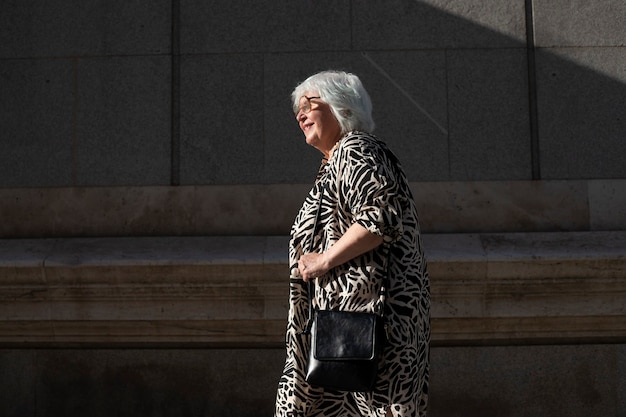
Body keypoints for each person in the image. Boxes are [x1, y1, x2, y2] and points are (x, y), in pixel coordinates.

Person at [274, 70, 430, 417]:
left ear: (339, 105)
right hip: (343, 332)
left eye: (308, 104)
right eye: (296, 108)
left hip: (363, 335)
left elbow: (379, 220)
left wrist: (323, 261)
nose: (299, 114)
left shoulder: (356, 149)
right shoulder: (334, 162)